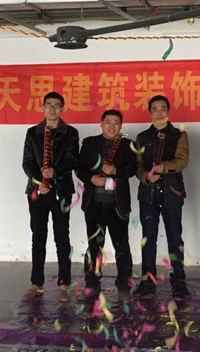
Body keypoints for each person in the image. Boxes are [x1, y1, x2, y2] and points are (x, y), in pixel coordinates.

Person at [22, 91, 79, 302]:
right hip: (38, 192)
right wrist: (40, 183)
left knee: (62, 236)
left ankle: (64, 283)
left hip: (61, 191)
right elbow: (27, 162)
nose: (52, 109)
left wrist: (55, 173)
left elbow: (73, 159)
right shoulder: (32, 133)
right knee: (38, 236)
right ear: (43, 107)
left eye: (56, 105)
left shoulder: (70, 133)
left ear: (62, 108)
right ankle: (36, 283)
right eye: (49, 105)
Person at [133, 95, 191, 298]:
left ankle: (179, 281)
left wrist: (163, 167)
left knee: (175, 238)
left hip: (171, 194)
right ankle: (148, 281)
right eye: (155, 109)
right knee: (148, 239)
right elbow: (138, 167)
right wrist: (146, 177)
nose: (159, 113)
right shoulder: (142, 137)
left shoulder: (179, 135)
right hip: (147, 195)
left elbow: (182, 161)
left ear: (168, 111)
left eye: (162, 108)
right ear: (150, 112)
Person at [76, 109, 136, 302]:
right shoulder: (89, 143)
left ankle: (124, 286)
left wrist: (116, 170)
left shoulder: (128, 145)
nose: (112, 126)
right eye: (108, 122)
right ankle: (92, 284)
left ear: (121, 126)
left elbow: (133, 169)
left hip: (117, 204)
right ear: (101, 124)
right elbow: (79, 168)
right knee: (94, 246)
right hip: (93, 204)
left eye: (116, 122)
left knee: (122, 247)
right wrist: (91, 178)